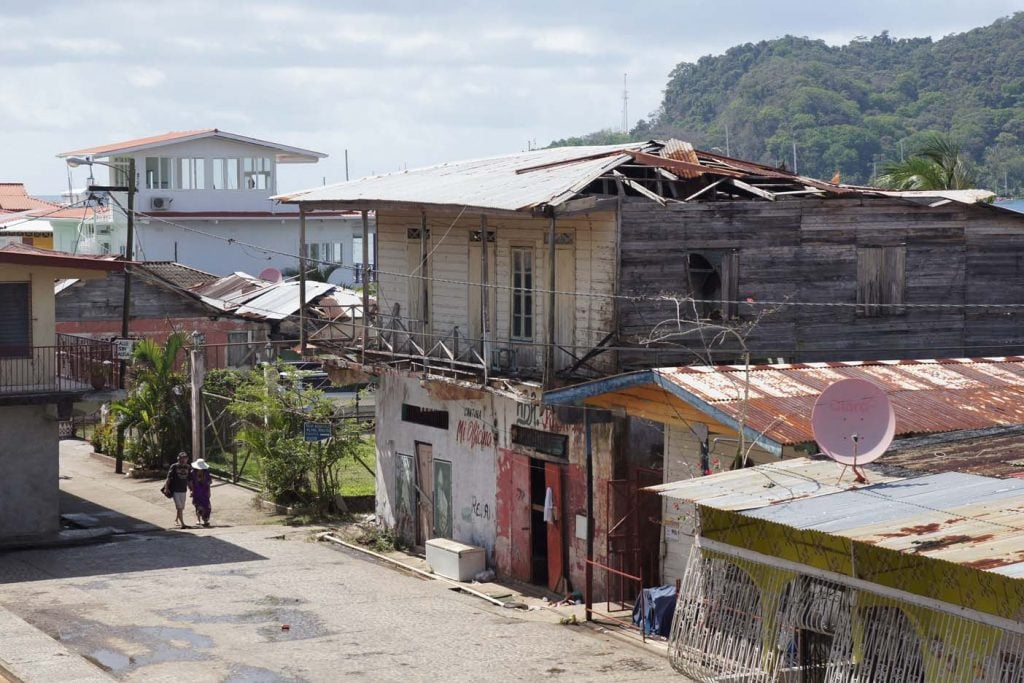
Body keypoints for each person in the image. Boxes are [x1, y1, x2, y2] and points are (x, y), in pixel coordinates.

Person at [165, 452, 193, 528]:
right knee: (179, 507)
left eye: (185, 458)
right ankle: (183, 524)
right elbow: (169, 478)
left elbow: (189, 480)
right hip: (175, 490)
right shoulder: (174, 466)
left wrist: (191, 490)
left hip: (183, 490)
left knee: (180, 508)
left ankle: (176, 520)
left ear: (187, 459)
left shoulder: (188, 467)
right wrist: (166, 488)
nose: (183, 460)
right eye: (181, 458)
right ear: (178, 459)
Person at [190, 458, 212, 527]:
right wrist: (191, 490)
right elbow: (190, 482)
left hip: (204, 491)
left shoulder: (206, 472)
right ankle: (198, 519)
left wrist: (209, 490)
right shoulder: (192, 473)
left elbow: (210, 481)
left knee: (207, 506)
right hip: (196, 491)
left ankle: (205, 520)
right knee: (198, 506)